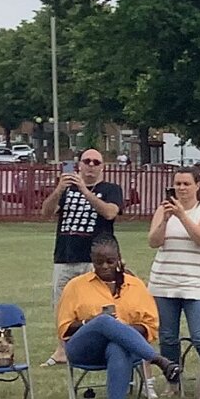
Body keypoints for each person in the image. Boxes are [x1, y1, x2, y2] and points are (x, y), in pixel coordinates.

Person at [57, 240, 183, 399]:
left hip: (126, 348)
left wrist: (122, 330)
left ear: (119, 259)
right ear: (92, 261)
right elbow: (65, 328)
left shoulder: (136, 285)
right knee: (104, 322)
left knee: (118, 346)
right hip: (83, 347)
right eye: (99, 262)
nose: (105, 266)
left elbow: (149, 326)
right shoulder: (76, 286)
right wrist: (90, 323)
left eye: (110, 261)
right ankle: (158, 360)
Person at [42, 148, 126, 356]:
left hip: (97, 259)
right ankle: (62, 349)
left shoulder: (110, 189)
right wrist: (59, 190)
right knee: (62, 304)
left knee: (99, 305)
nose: (90, 165)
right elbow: (45, 212)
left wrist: (85, 191)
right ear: (79, 164)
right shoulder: (66, 190)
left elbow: (109, 212)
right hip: (65, 255)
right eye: (86, 161)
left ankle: (98, 345)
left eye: (96, 162)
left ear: (102, 167)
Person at [145, 166, 200, 382]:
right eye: (177, 184)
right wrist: (167, 219)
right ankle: (173, 382)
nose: (181, 188)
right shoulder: (163, 209)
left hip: (197, 285)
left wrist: (182, 216)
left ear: (197, 185)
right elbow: (153, 242)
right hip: (164, 282)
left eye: (186, 184)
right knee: (168, 338)